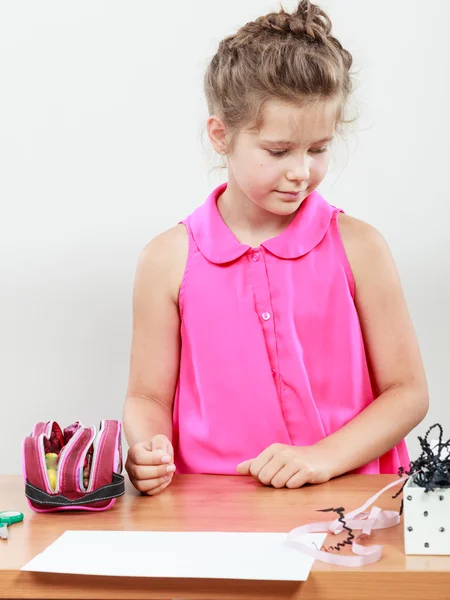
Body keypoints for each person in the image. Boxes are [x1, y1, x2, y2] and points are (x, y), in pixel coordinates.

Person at [123, 0, 429, 496]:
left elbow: (408, 392)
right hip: (212, 511)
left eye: (319, 148)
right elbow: (146, 395)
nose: (301, 171)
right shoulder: (166, 259)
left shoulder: (360, 247)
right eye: (278, 151)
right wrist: (148, 449)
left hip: (351, 505)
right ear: (222, 136)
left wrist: (322, 458)